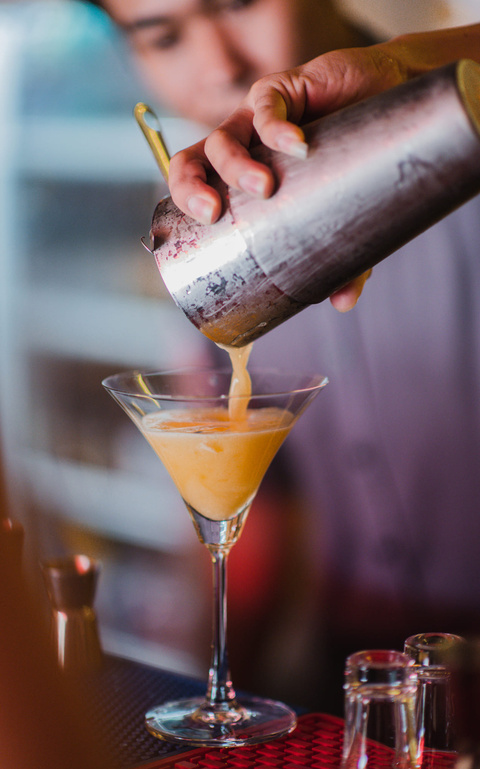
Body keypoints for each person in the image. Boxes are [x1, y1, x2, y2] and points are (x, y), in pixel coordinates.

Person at [91, 0, 480, 713]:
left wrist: (411, 72)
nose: (222, 65)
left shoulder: (460, 140)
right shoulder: (206, 233)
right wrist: (204, 704)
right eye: (165, 36)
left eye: (239, 3)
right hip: (352, 679)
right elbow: (253, 531)